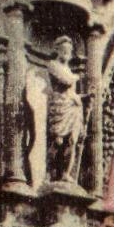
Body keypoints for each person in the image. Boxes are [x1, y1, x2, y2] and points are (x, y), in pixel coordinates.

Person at [45, 36, 84, 184]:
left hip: (73, 108)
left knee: (72, 141)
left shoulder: (69, 69)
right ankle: (49, 172)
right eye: (64, 50)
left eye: (69, 50)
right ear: (58, 50)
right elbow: (65, 80)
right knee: (58, 141)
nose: (66, 52)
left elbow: (72, 91)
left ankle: (66, 173)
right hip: (60, 107)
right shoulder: (53, 65)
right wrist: (76, 77)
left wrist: (86, 97)